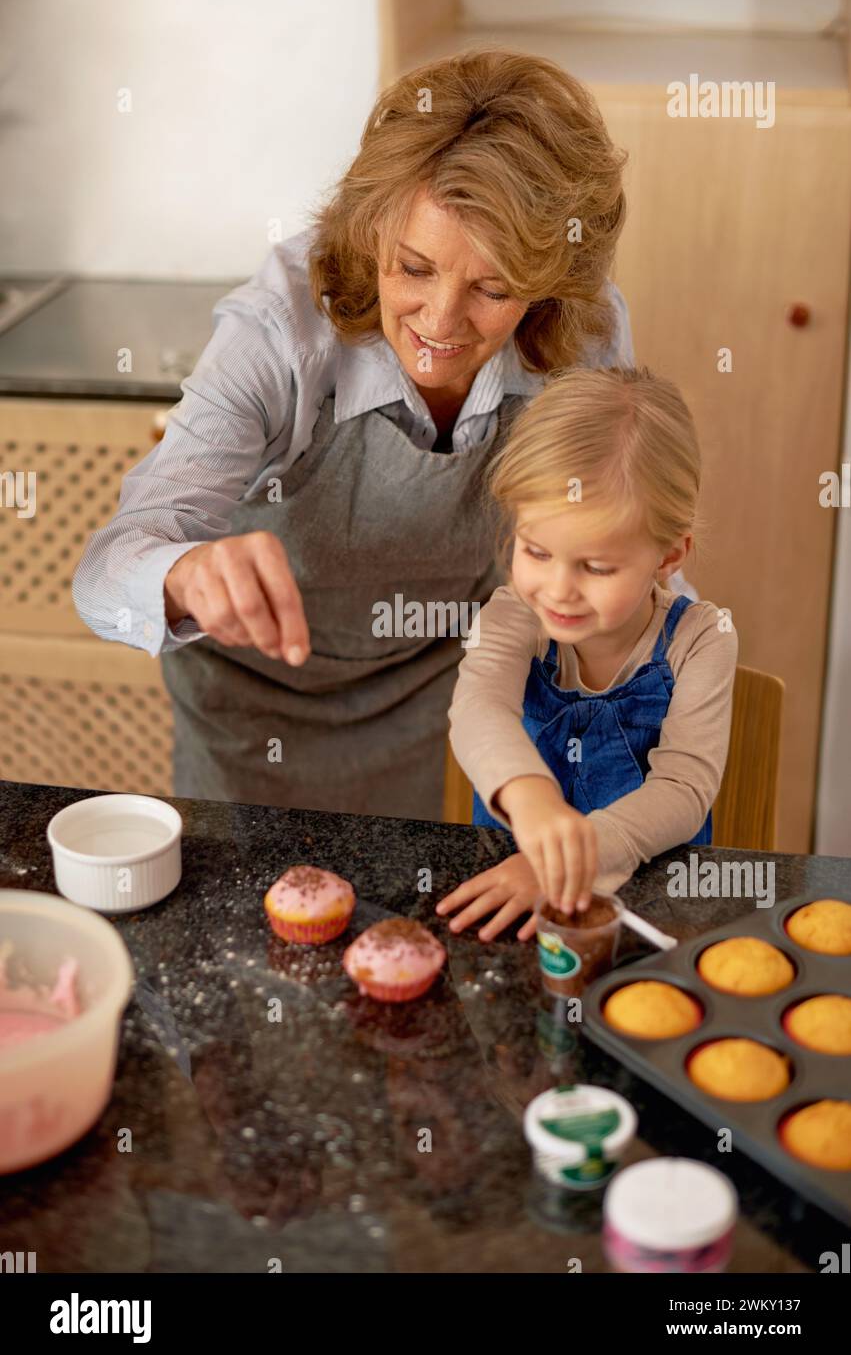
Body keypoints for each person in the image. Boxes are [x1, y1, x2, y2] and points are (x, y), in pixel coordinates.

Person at [73, 48, 637, 821]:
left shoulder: (583, 332)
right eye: (411, 267)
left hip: (449, 695)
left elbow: (614, 529)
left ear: (546, 285)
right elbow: (105, 572)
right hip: (253, 715)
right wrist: (185, 574)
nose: (439, 324)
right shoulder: (281, 331)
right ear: (370, 229)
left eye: (493, 288)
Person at [437, 366, 738, 939]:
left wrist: (571, 861)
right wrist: (532, 801)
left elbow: (683, 790)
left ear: (670, 556)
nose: (558, 589)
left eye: (596, 567)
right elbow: (478, 711)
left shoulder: (703, 638)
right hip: (508, 888)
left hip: (649, 905)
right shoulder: (512, 615)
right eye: (536, 551)